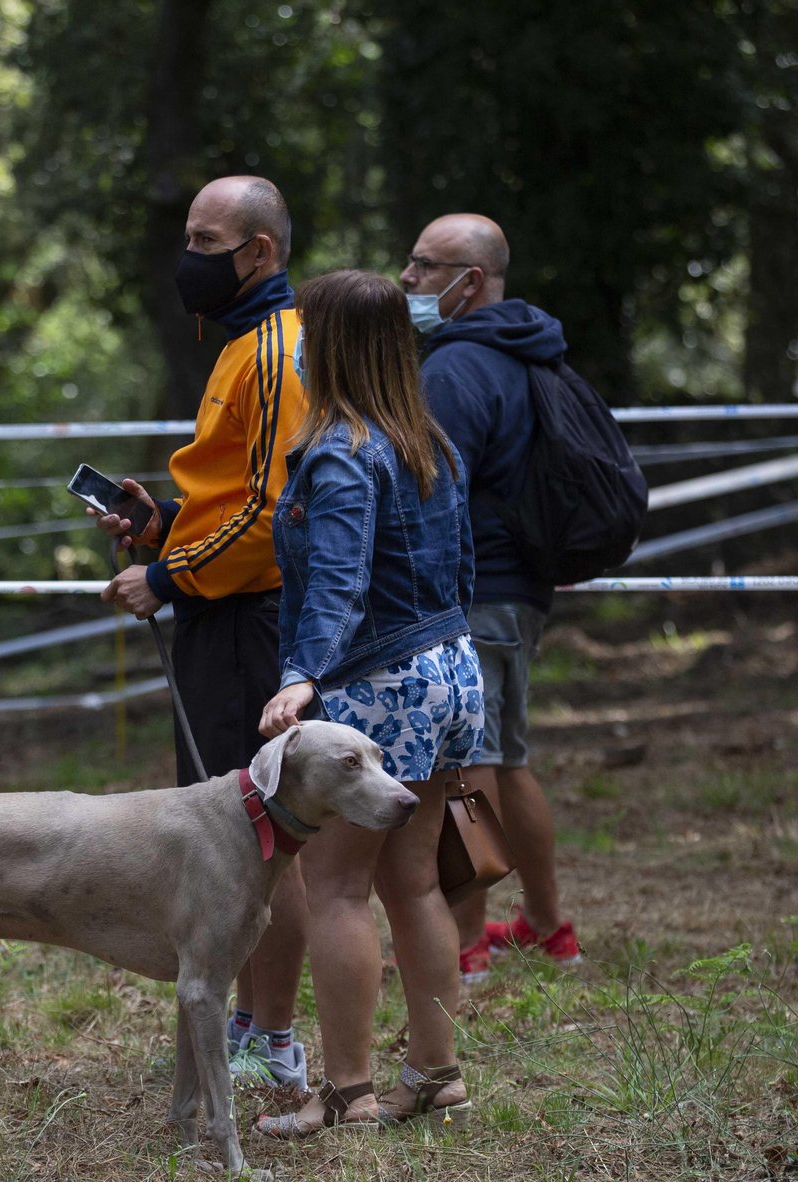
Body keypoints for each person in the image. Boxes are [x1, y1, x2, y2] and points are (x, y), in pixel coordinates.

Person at [93, 175, 310, 1091]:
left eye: (205, 239)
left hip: (248, 624)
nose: (189, 257)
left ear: (259, 252)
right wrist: (166, 524)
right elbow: (230, 498)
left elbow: (272, 517)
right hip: (217, 611)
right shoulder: (238, 344)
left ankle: (272, 1035)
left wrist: (167, 574)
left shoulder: (274, 350)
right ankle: (247, 1024)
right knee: (235, 835)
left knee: (266, 836)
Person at [254, 269, 483, 1136]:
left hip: (378, 681)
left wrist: (302, 674)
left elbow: (340, 584)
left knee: (336, 886)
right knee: (414, 880)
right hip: (450, 671)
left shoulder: (342, 452)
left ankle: (345, 1092)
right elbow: (461, 570)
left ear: (334, 345)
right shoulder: (429, 440)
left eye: (306, 331)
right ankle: (436, 1072)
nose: (297, 347)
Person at [399, 214, 582, 982]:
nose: (407, 279)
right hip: (523, 591)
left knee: (464, 767)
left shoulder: (452, 369)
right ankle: (546, 927)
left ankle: (467, 942)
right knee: (507, 759)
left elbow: (430, 492)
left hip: (474, 592)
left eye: (423, 265)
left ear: (469, 280)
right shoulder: (531, 352)